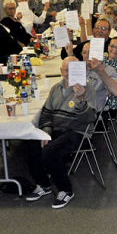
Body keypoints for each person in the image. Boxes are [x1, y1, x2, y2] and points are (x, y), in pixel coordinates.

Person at [25, 57, 97, 209]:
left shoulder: (87, 89)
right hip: (57, 131)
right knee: (31, 142)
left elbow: (91, 118)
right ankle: (43, 184)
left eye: (73, 70)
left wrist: (80, 99)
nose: (69, 74)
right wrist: (46, 131)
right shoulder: (56, 89)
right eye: (66, 70)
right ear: (61, 71)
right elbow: (46, 113)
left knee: (51, 151)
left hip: (77, 131)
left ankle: (66, 190)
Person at [80, 42, 117, 111]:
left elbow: (116, 92)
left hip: (91, 110)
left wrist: (100, 71)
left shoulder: (107, 70)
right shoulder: (79, 67)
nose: (86, 55)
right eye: (84, 52)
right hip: (76, 105)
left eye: (90, 52)